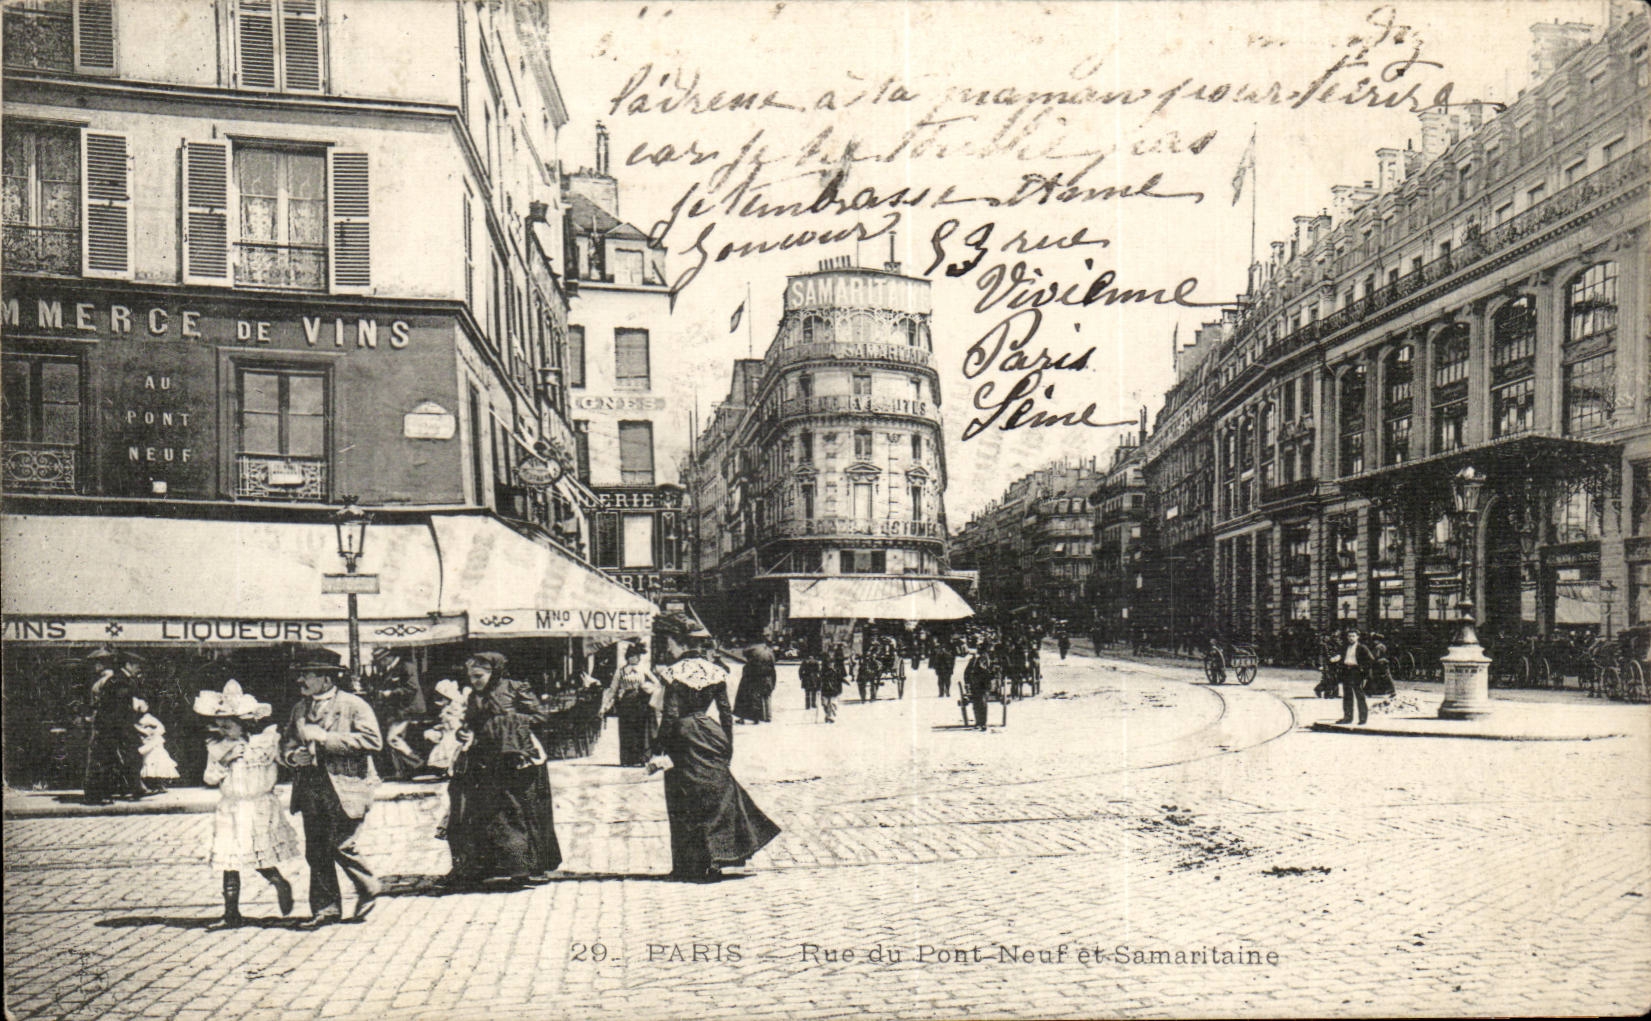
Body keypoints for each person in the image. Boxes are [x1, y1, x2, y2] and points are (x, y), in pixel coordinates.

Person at [647, 613, 780, 881]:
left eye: (670, 643)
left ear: (679, 643)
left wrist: (659, 748)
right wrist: (727, 745)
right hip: (711, 732)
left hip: (684, 737)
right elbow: (726, 713)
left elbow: (670, 715)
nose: (668, 649)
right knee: (716, 796)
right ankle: (718, 857)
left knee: (683, 800)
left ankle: (688, 865)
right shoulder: (715, 672)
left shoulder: (672, 673)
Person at [278, 646, 383, 928]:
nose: (301, 681)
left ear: (327, 678)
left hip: (346, 787)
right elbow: (286, 742)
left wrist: (327, 739)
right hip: (310, 788)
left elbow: (373, 741)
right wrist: (292, 756)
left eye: (307, 675)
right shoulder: (300, 708)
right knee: (316, 850)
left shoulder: (354, 705)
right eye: (300, 675)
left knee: (342, 844)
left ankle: (368, 887)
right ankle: (326, 909)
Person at [443, 652, 561, 888]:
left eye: (479, 676)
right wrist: (463, 732)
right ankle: (490, 866)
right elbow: (471, 723)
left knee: (522, 811)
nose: (474, 681)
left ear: (494, 672)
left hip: (518, 758)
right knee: (486, 813)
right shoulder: (475, 696)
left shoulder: (516, 688)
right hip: (486, 759)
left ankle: (528, 867)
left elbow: (540, 716)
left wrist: (507, 722)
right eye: (471, 677)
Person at [194, 680, 299, 929]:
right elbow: (209, 777)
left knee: (258, 854)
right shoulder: (217, 747)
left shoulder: (265, 743)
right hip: (231, 809)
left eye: (228, 724)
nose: (223, 729)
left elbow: (285, 761)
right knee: (229, 861)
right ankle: (231, 913)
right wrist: (225, 760)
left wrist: (290, 757)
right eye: (220, 724)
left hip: (258, 807)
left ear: (244, 723)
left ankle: (279, 882)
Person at [368, 646, 427, 780]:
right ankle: (401, 771)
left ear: (388, 657)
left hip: (409, 710)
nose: (381, 664)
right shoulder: (391, 670)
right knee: (392, 739)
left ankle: (417, 763)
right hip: (398, 712)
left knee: (393, 739)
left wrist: (389, 693)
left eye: (381, 661)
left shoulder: (406, 667)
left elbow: (411, 689)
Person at [602, 643, 662, 766]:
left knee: (640, 730)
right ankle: (627, 759)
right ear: (627, 657)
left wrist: (648, 687)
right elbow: (613, 688)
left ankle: (641, 759)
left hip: (640, 702)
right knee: (626, 730)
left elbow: (657, 683)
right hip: (626, 702)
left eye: (636, 656)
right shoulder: (621, 671)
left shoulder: (643, 669)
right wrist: (605, 704)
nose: (634, 658)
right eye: (631, 656)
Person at [423, 678, 470, 774]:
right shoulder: (446, 709)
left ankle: (449, 768)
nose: (439, 701)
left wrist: (448, 725)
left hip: (453, 733)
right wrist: (441, 726)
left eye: (442, 698)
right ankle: (444, 768)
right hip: (447, 732)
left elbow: (455, 723)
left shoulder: (453, 708)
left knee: (449, 748)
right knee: (442, 746)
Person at [135, 702, 179, 792]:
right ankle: (152, 785)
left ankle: (160, 785)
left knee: (159, 761)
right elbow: (138, 730)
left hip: (155, 742)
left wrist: (153, 731)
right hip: (147, 743)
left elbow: (161, 728)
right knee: (149, 761)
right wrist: (144, 734)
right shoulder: (136, 721)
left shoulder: (150, 718)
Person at [1336, 628, 1375, 726]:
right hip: (1346, 672)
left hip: (1356, 672)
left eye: (1353, 636)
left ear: (1357, 637)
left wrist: (1363, 671)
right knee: (1347, 696)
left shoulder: (1362, 648)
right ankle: (1347, 717)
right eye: (1349, 636)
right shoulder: (1345, 647)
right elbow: (1341, 657)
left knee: (1359, 696)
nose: (1351, 638)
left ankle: (1362, 718)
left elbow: (1370, 660)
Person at [734, 637, 776, 724]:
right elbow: (773, 671)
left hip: (751, 681)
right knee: (762, 698)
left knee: (745, 698)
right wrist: (773, 683)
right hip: (765, 679)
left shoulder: (753, 659)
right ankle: (762, 717)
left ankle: (745, 718)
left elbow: (748, 671)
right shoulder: (769, 654)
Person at [963, 641, 998, 731]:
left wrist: (991, 675)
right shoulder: (974, 660)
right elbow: (967, 672)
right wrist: (968, 682)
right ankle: (978, 722)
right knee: (976, 703)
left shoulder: (990, 659)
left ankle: (982, 723)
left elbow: (992, 672)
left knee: (982, 702)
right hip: (975, 685)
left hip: (984, 684)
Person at [818, 646, 846, 723]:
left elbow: (839, 677)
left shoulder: (836, 668)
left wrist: (843, 682)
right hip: (825, 688)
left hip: (834, 689)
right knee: (825, 704)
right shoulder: (824, 666)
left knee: (833, 703)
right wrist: (818, 686)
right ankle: (827, 715)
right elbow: (820, 677)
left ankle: (831, 716)